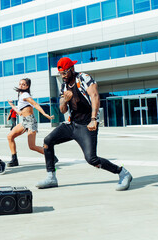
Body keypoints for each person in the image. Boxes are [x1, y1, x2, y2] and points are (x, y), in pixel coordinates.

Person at [36, 57, 133, 191]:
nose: (63, 76)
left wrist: (94, 119)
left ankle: (123, 173)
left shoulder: (84, 78)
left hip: (87, 124)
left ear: (72, 69)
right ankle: (51, 177)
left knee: (91, 159)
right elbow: (62, 109)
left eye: (65, 72)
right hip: (72, 124)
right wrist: (65, 100)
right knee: (48, 141)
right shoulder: (63, 86)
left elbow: (95, 96)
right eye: (60, 73)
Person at [7, 78, 55, 167]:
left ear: (27, 86)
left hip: (31, 121)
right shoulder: (21, 96)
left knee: (32, 146)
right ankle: (14, 160)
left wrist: (45, 114)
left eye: (23, 84)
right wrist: (12, 105)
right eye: (20, 84)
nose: (21, 85)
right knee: (10, 136)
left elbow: (35, 104)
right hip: (24, 121)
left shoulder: (25, 95)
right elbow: (20, 113)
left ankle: (51, 156)